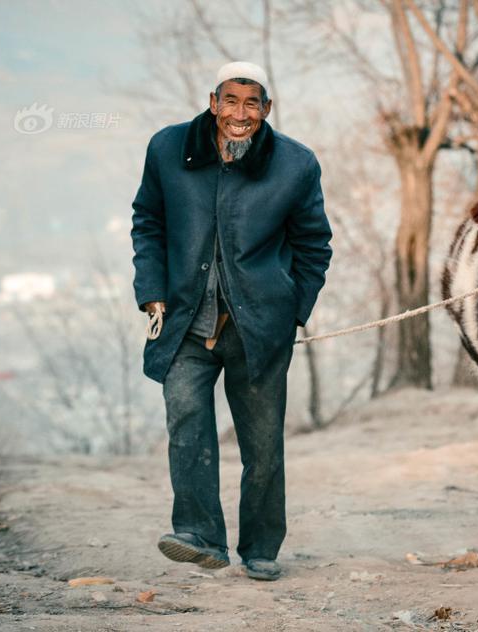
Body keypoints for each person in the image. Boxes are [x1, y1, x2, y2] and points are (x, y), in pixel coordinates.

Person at [130, 61, 332, 581]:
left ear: (266, 109)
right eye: (230, 101)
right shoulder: (167, 149)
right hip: (183, 323)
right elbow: (148, 223)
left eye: (252, 104)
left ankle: (261, 547)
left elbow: (314, 246)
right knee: (186, 428)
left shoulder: (295, 164)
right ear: (213, 101)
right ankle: (200, 536)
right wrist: (150, 292)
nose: (239, 114)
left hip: (259, 329)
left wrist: (293, 309)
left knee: (262, 446)